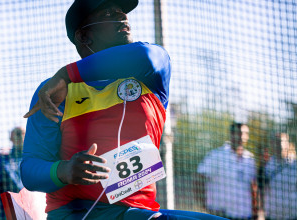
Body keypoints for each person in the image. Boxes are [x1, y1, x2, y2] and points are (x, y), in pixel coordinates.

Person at [21, 0, 226, 219]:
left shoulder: (150, 73)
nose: (122, 17)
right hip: (78, 213)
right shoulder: (53, 93)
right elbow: (30, 169)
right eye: (109, 13)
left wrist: (67, 73)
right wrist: (64, 170)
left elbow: (146, 56)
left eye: (122, 11)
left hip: (139, 212)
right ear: (84, 36)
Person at [195, 122, 258, 220]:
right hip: (220, 214)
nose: (242, 137)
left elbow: (253, 187)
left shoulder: (250, 159)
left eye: (245, 134)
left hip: (244, 214)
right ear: (231, 134)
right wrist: (204, 205)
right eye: (239, 133)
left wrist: (255, 211)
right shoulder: (217, 155)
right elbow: (199, 179)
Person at [264, 133, 296, 220]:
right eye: (275, 142)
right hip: (272, 215)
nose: (278, 145)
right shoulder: (267, 165)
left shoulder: (294, 165)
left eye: (281, 142)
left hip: (291, 215)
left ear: (287, 144)